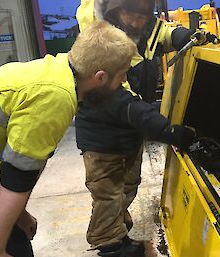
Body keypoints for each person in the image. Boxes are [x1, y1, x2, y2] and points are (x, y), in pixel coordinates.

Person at [0, 20, 136, 257]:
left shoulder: (59, 68)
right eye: (122, 76)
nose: (123, 83)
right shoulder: (57, 96)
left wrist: (19, 215)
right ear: (100, 77)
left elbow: (16, 170)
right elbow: (15, 179)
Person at [75, 0, 200, 256]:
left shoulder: (146, 26)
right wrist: (168, 131)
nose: (135, 21)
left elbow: (161, 33)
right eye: (128, 13)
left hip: (130, 132)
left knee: (129, 185)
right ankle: (109, 245)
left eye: (142, 15)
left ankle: (117, 230)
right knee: (107, 194)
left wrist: (183, 35)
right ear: (112, 9)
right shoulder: (100, 41)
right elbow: (124, 102)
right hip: (102, 140)